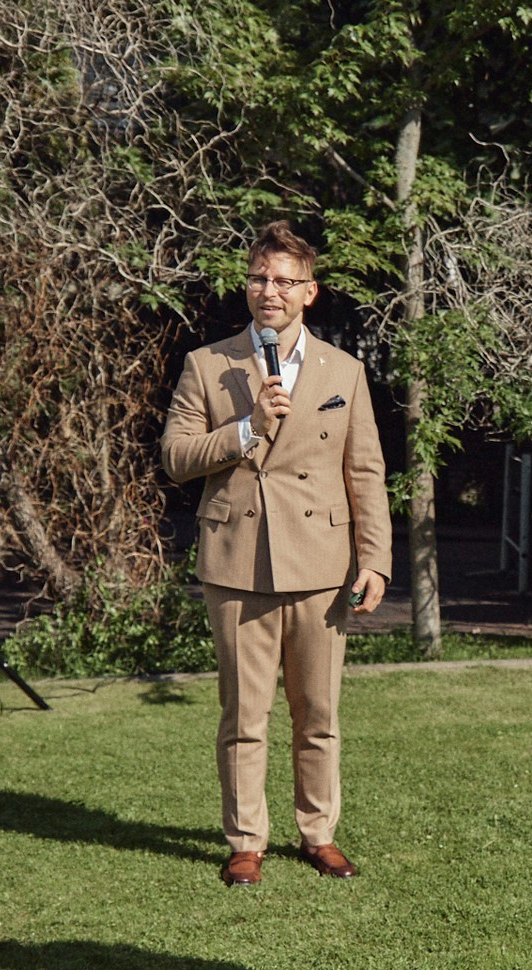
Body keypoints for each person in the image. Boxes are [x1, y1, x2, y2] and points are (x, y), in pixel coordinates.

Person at [160, 221, 390, 886]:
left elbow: (366, 471)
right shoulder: (209, 364)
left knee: (318, 712)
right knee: (245, 712)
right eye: (260, 277)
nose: (271, 291)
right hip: (237, 560)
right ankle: (246, 839)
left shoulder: (344, 370)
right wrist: (245, 428)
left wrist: (374, 559)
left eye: (285, 281)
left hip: (322, 562)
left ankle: (318, 832)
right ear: (248, 283)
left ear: (309, 292)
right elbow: (175, 457)